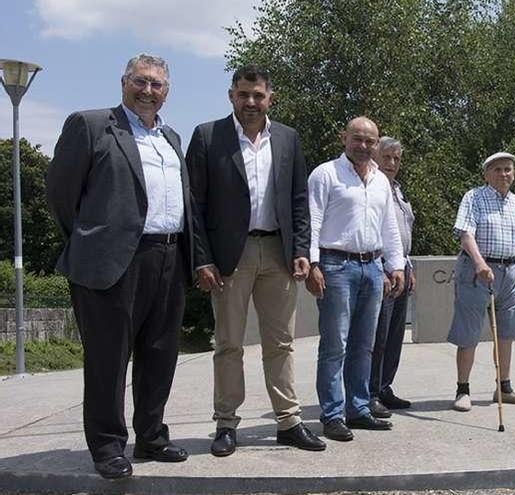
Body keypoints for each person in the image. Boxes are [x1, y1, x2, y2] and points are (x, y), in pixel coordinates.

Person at [46, 53, 195, 479]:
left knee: (161, 352)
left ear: (167, 92)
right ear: (124, 82)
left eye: (157, 85)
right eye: (141, 82)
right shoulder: (91, 125)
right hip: (112, 261)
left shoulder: (172, 138)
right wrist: (91, 241)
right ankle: (109, 446)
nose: (148, 91)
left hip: (168, 255)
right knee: (109, 358)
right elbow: (61, 193)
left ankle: (151, 435)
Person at [186, 65, 324, 455]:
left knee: (281, 343)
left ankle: (289, 421)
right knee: (229, 343)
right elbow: (194, 205)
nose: (250, 102)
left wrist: (301, 250)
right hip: (230, 256)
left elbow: (299, 200)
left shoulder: (287, 139)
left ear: (270, 98)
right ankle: (226, 424)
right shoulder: (208, 136)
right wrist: (202, 259)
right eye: (243, 94)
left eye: (258, 95)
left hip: (278, 253)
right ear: (231, 95)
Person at [306, 117, 405, 442]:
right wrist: (313, 264)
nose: (363, 146)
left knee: (365, 345)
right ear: (344, 138)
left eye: (370, 141)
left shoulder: (380, 181)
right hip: (336, 266)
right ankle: (333, 414)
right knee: (335, 345)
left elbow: (389, 225)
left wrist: (395, 265)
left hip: (373, 267)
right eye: (357, 139)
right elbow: (313, 220)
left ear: (376, 144)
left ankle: (358, 409)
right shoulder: (325, 174)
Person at [447, 152, 515, 412]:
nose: (503, 174)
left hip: (509, 271)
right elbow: (465, 234)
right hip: (476, 270)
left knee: (507, 332)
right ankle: (463, 389)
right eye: (497, 169)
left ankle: (504, 387)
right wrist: (479, 263)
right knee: (469, 333)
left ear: (514, 173)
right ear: (486, 174)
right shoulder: (473, 197)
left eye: (508, 169)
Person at [368, 137, 415, 419]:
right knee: (378, 336)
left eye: (397, 158)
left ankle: (385, 387)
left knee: (395, 334)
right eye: (387, 157)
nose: (392, 163)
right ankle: (370, 392)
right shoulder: (371, 186)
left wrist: (408, 267)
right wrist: (383, 266)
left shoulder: (397, 190)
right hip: (380, 267)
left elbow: (403, 233)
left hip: (401, 268)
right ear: (374, 155)